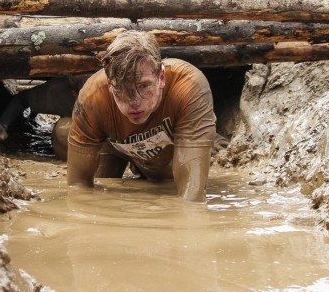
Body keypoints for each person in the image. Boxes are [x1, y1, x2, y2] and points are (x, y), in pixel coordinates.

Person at [67, 30, 217, 202]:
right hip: (114, 147)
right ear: (109, 83)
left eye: (144, 86)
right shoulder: (92, 97)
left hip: (169, 159)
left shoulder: (188, 86)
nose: (134, 102)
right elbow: (77, 189)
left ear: (161, 77)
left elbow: (192, 198)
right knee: (103, 190)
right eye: (120, 88)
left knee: (172, 182)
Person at [0, 75, 88, 160]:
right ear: (74, 93)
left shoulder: (102, 89)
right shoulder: (59, 91)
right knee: (63, 130)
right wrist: (3, 123)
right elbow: (23, 100)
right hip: (82, 134)